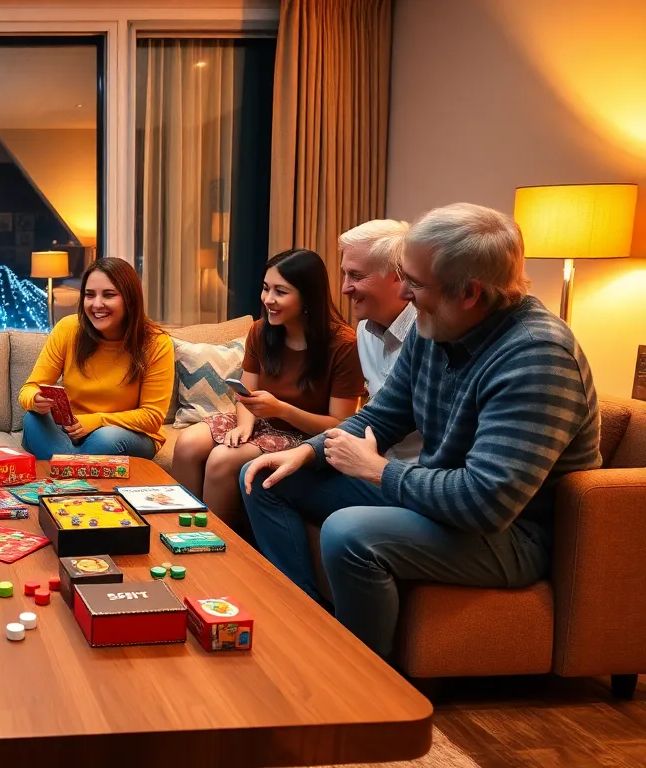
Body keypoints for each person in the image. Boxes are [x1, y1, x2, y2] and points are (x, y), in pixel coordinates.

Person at [241, 203, 600, 659]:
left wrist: (378, 471)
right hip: (435, 502)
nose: (404, 293)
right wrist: (308, 452)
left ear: (469, 292)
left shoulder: (535, 357)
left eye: (414, 282)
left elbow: (486, 503)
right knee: (265, 477)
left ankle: (366, 679)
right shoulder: (436, 329)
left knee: (349, 533)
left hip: (509, 535)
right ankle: (304, 622)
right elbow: (383, 416)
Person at [170, 248, 365, 527]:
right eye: (265, 289)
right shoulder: (261, 331)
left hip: (304, 436)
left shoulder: (344, 345)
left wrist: (282, 410)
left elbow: (339, 425)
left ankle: (209, 545)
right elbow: (244, 393)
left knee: (222, 459)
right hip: (260, 422)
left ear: (308, 296)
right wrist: (245, 425)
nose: (268, 300)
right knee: (188, 444)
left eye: (280, 292)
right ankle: (175, 529)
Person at [18, 257, 174, 461]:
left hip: (125, 434)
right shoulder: (68, 329)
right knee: (32, 419)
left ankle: (65, 471)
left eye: (109, 295)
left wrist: (97, 421)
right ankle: (76, 470)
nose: (97, 304)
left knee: (105, 438)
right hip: (70, 430)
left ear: (129, 299)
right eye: (89, 295)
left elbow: (152, 417)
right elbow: (28, 390)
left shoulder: (156, 343)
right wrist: (35, 400)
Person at [339, 220, 422, 463]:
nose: (345, 288)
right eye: (344, 274)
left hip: (415, 475)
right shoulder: (364, 330)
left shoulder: (433, 334)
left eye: (356, 275)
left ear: (400, 276)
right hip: (373, 462)